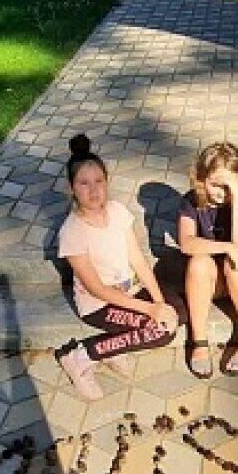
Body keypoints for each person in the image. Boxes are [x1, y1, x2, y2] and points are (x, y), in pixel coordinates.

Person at [56, 133, 179, 400]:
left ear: (107, 182)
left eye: (99, 181)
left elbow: (138, 260)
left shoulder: (117, 211)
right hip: (99, 305)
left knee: (175, 310)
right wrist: (151, 309)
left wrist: (159, 302)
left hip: (129, 293)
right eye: (84, 183)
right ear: (71, 188)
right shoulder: (72, 232)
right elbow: (97, 289)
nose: (93, 190)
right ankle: (81, 357)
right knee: (160, 331)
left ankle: (115, 349)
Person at [177, 141, 238, 377]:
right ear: (201, 178)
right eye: (215, 185)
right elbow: (186, 243)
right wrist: (226, 247)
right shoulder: (191, 201)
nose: (220, 192)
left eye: (228, 186)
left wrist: (237, 196)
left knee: (235, 263)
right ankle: (199, 340)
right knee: (198, 262)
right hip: (210, 277)